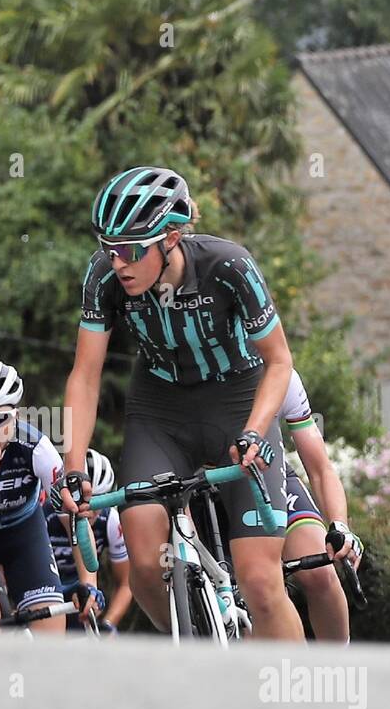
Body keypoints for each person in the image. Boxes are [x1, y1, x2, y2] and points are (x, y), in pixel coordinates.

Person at [60, 166, 301, 639]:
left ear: (170, 236)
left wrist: (254, 431)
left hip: (236, 402)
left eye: (130, 250)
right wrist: (74, 468)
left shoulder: (228, 266)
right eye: (109, 250)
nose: (118, 264)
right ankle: (195, 652)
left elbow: (279, 362)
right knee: (145, 562)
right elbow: (85, 376)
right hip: (160, 410)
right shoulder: (103, 279)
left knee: (260, 581)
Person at [0, 359, 65, 632]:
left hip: (25, 533)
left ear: (17, 415)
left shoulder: (36, 447)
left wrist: (88, 581)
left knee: (51, 635)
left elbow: (72, 516)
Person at [276, 370, 363, 642]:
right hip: (200, 484)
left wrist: (340, 525)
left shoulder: (282, 376)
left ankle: (336, 671)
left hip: (267, 475)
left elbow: (320, 468)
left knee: (320, 575)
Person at [47, 449, 131, 631]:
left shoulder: (111, 521)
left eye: (97, 501)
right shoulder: (48, 513)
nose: (89, 509)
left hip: (82, 591)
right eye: (81, 501)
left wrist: (109, 624)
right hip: (45, 584)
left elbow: (125, 583)